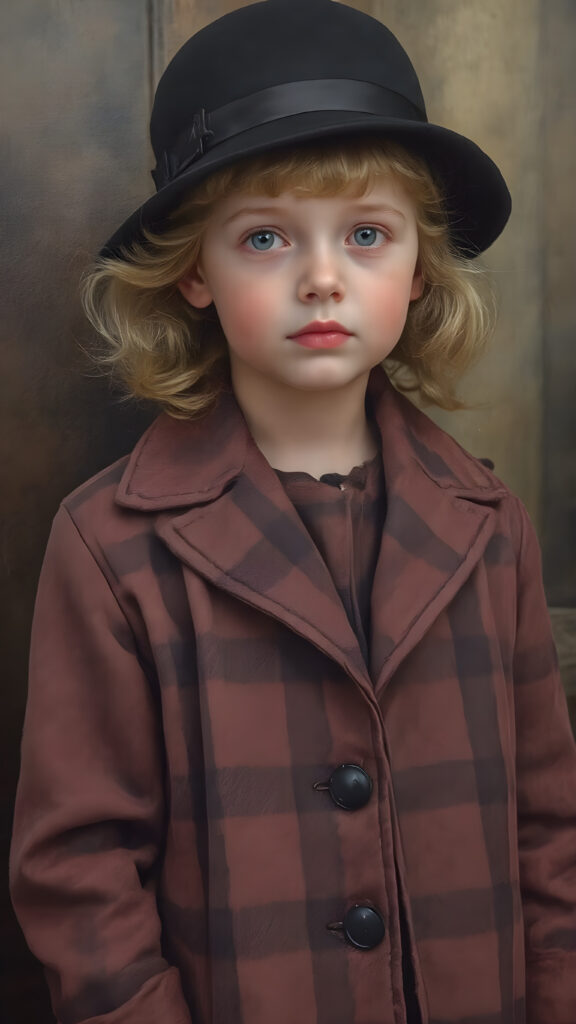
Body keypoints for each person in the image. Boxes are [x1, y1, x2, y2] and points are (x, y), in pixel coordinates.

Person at [9, 2, 576, 1023]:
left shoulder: (492, 526)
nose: (323, 278)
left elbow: (550, 834)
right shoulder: (110, 547)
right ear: (193, 270)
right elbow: (79, 873)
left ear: (417, 266)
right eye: (266, 237)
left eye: (367, 234)